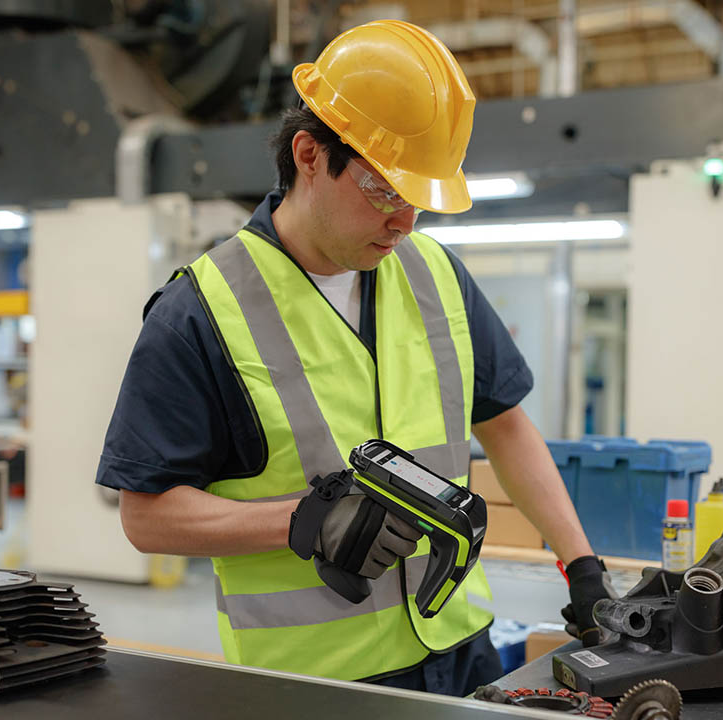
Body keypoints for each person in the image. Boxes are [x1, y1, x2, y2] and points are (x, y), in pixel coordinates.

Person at [96, 19, 611, 697]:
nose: (403, 222)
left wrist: (581, 566)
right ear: (309, 155)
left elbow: (506, 425)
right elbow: (145, 514)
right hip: (317, 686)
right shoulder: (202, 312)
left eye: (418, 200)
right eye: (382, 190)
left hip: (462, 649)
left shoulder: (435, 275)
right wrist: (302, 520)